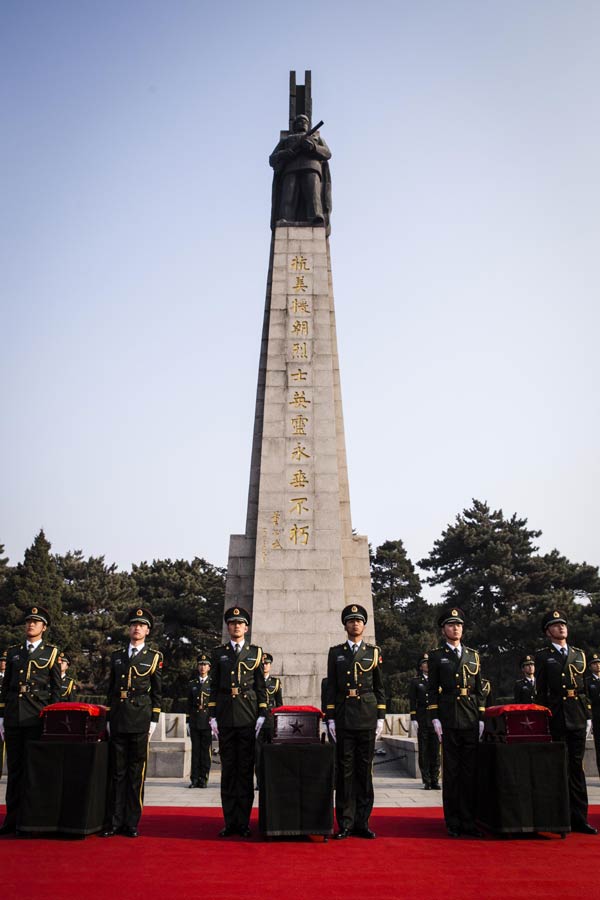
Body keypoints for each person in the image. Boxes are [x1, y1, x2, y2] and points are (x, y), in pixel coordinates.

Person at [325, 603, 386, 840]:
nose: (355, 624)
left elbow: (379, 687)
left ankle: (363, 822)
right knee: (345, 773)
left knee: (364, 772)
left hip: (367, 716)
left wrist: (380, 716)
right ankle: (345, 823)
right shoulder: (336, 652)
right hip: (344, 717)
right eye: (351, 621)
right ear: (345, 625)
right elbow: (331, 687)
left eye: (359, 620)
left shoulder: (373, 652)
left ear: (364, 625)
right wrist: (329, 717)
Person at [101, 607, 162, 838]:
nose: (137, 628)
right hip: (118, 716)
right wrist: (108, 716)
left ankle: (131, 822)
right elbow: (110, 690)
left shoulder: (154, 657)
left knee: (136, 773)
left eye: (141, 625)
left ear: (147, 630)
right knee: (117, 772)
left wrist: (153, 720)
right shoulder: (117, 656)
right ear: (129, 629)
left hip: (140, 719)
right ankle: (114, 821)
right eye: (134, 624)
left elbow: (157, 693)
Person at [0, 606, 61, 835]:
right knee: (14, 772)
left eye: (36, 622)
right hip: (15, 717)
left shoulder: (51, 653)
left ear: (44, 627)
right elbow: (5, 688)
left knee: (35, 772)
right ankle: (11, 820)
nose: (30, 625)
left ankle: (32, 821)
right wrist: (2, 716)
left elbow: (56, 690)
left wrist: (51, 717)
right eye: (28, 621)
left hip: (37, 717)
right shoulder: (14, 652)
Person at [208, 606, 268, 837]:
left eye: (240, 623)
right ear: (228, 627)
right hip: (225, 716)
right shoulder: (218, 653)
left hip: (247, 717)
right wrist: (212, 715)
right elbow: (213, 686)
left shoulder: (256, 653)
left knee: (244, 771)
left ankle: (243, 822)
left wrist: (263, 713)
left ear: (246, 627)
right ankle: (229, 821)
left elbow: (261, 687)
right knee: (228, 771)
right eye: (232, 623)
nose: (236, 626)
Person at [535, 609, 596, 834]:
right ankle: (560, 818)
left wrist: (587, 714)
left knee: (576, 768)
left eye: (563, 624)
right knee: (558, 768)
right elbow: (540, 692)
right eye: (556, 625)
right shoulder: (543, 656)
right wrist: (543, 717)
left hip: (577, 714)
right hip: (557, 714)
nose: (561, 627)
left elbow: (585, 687)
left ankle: (580, 818)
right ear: (548, 631)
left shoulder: (579, 654)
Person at [427, 606, 484, 838]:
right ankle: (453, 822)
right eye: (451, 625)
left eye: (459, 625)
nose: (456, 628)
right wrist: (435, 717)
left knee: (470, 772)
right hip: (449, 716)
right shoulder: (437, 656)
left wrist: (481, 716)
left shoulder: (473, 655)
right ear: (443, 630)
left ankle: (470, 821)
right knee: (452, 773)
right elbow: (432, 690)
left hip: (470, 715)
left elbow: (479, 689)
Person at [269, 114, 332, 228]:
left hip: (311, 168)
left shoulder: (316, 139)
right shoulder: (286, 140)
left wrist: (313, 147)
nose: (302, 123)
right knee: (288, 196)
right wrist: (284, 153)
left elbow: (327, 153)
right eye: (298, 122)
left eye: (304, 121)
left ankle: (315, 217)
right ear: (294, 126)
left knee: (312, 195)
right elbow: (272, 159)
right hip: (290, 170)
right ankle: (285, 218)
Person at [408, 654, 440, 790]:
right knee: (424, 751)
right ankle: (426, 780)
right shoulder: (416, 681)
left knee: (435, 751)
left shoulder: (437, 681)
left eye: (429, 662)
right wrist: (413, 718)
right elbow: (412, 701)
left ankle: (435, 779)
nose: (427, 665)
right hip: (422, 718)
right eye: (425, 663)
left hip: (435, 719)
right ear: (421, 666)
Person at [186, 651, 212, 788]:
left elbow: (214, 704)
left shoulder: (212, 684)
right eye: (200, 664)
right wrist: (187, 721)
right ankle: (194, 779)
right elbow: (189, 703)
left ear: (209, 667)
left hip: (207, 721)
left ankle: (204, 778)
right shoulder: (192, 683)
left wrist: (215, 721)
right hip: (195, 721)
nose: (202, 667)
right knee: (195, 751)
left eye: (205, 664)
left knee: (205, 752)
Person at [585, 651, 600, 778]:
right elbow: (587, 700)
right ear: (590, 667)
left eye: (599, 663)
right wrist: (589, 717)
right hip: (597, 717)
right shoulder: (588, 681)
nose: (598, 665)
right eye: (594, 664)